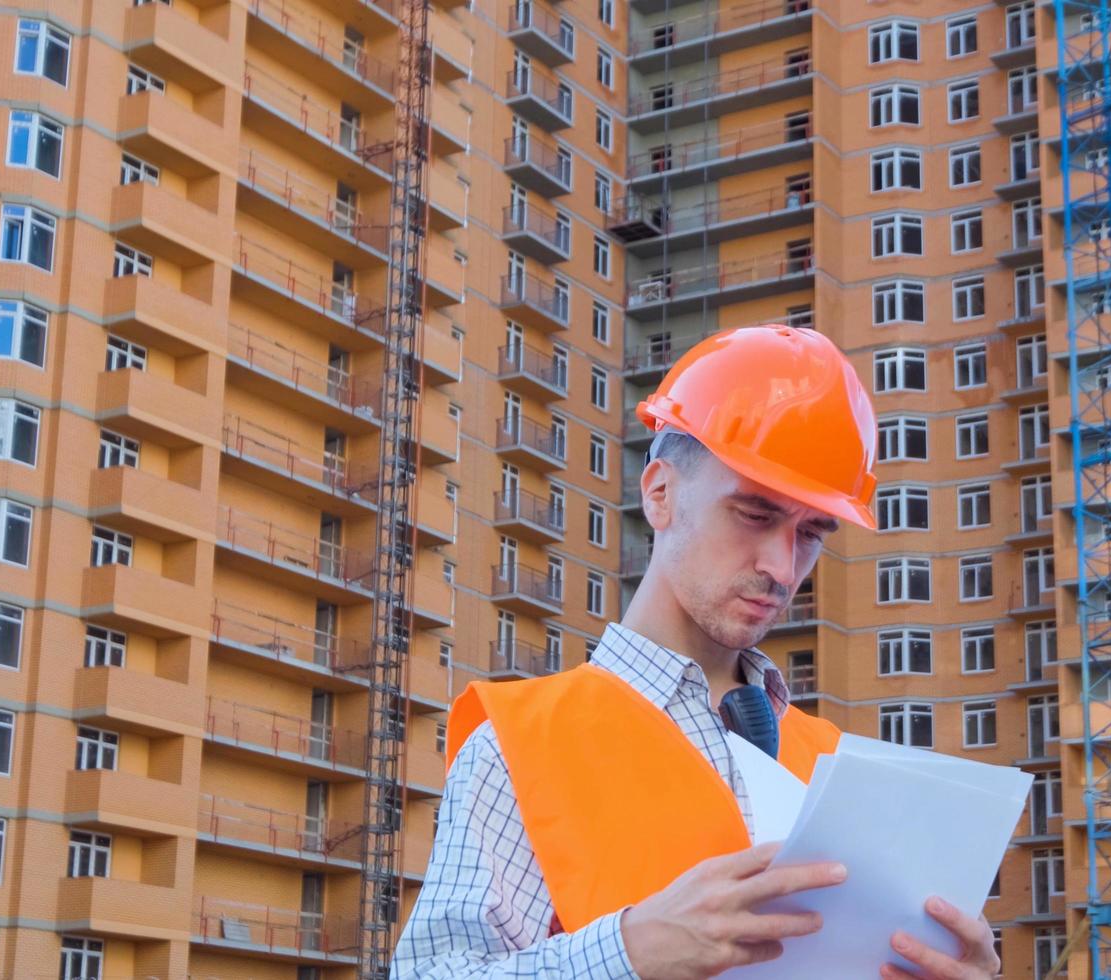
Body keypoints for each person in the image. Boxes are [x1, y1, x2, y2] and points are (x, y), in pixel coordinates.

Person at [394, 326, 1002, 979]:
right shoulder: (518, 746)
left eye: (812, 532)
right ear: (659, 492)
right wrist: (628, 952)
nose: (781, 566)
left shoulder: (830, 765)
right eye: (753, 514)